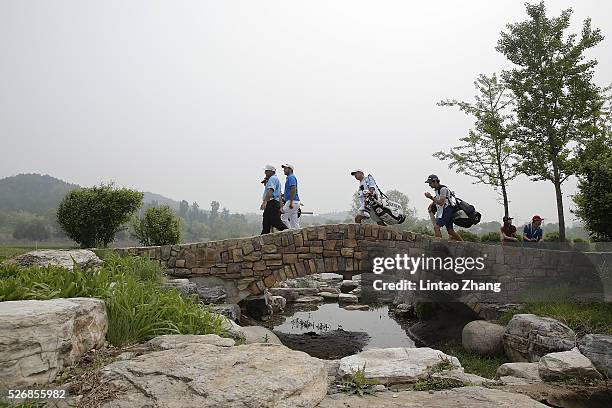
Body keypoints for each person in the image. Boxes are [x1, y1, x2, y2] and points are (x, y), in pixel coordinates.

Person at [424, 174, 463, 241]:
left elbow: (441, 203)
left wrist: (430, 197)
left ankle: (439, 244)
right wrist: (432, 204)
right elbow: (438, 197)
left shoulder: (443, 189)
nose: (429, 185)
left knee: (436, 227)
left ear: (435, 181)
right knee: (450, 231)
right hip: (446, 210)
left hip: (448, 210)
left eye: (430, 183)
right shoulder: (437, 190)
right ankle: (463, 244)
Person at [260, 165, 287, 234]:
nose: (265, 172)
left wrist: (265, 202)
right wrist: (281, 206)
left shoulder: (272, 178)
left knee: (275, 222)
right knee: (266, 222)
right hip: (273, 203)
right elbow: (280, 195)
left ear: (271, 172)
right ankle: (263, 237)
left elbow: (270, 190)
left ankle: (289, 232)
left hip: (272, 203)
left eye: (266, 171)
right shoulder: (275, 179)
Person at [280, 163, 300, 229]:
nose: (284, 170)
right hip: (295, 202)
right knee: (294, 222)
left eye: (285, 168)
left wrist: (291, 202)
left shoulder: (290, 177)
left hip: (292, 201)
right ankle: (296, 235)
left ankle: (290, 233)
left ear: (290, 169)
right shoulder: (291, 177)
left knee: (283, 218)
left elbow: (293, 188)